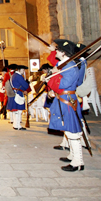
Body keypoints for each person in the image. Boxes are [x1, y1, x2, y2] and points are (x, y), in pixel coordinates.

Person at [46, 40, 84, 171]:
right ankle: (72, 155)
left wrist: (53, 78)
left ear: (62, 52)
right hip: (62, 97)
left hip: (67, 99)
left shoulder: (70, 66)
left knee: (72, 131)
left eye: (57, 50)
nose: (55, 51)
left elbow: (64, 84)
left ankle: (78, 162)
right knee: (67, 129)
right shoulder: (65, 64)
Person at [10, 65, 30, 130]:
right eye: (23, 70)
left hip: (16, 93)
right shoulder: (18, 76)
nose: (23, 71)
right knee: (18, 110)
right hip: (18, 93)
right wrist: (27, 86)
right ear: (19, 70)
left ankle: (16, 125)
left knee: (16, 111)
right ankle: (17, 125)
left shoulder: (14, 75)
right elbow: (25, 85)